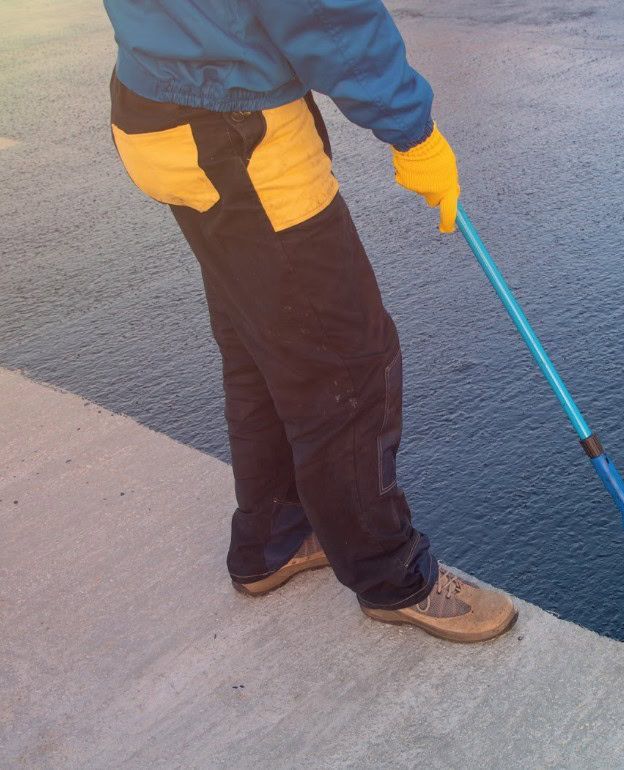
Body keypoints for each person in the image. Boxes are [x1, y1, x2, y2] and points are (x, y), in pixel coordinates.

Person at [103, 0, 517, 643]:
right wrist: (412, 130)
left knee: (262, 345)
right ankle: (389, 576)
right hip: (238, 134)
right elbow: (325, 13)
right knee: (345, 364)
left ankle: (276, 540)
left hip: (157, 110)